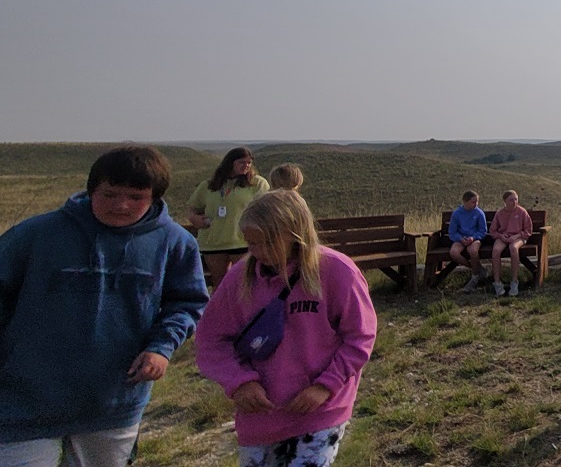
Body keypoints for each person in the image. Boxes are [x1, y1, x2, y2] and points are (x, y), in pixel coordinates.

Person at [0, 146, 208, 467]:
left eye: (136, 197)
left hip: (113, 402)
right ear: (91, 189)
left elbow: (186, 303)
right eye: (109, 195)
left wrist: (161, 348)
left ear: (155, 197)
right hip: (25, 399)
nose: (121, 205)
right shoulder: (35, 235)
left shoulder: (175, 243)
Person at [195, 190, 378, 467]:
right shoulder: (240, 278)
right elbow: (211, 339)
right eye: (251, 244)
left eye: (267, 243)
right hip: (260, 416)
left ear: (295, 234)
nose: (257, 253)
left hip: (319, 409)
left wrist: (324, 387)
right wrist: (239, 383)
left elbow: (360, 337)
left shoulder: (336, 271)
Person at [187, 146, 271, 288]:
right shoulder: (209, 185)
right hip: (213, 242)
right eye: (242, 162)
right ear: (230, 163)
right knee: (220, 285)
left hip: (242, 241)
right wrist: (195, 219)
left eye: (249, 163)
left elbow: (267, 208)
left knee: (244, 284)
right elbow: (192, 207)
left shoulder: (257, 184)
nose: (246, 166)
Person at [488, 190, 533, 296]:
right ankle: (497, 283)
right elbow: (493, 230)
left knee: (513, 248)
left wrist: (516, 236)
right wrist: (501, 236)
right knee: (496, 250)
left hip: (519, 236)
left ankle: (514, 281)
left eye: (516, 199)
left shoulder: (522, 212)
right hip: (503, 236)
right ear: (505, 201)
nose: (514, 202)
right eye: (511, 199)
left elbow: (528, 230)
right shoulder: (500, 213)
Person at [447, 190, 489, 294]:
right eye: (473, 202)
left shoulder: (479, 213)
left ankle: (474, 277)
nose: (476, 204)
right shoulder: (457, 213)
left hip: (474, 239)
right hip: (460, 238)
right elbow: (452, 231)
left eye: (477, 201)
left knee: (473, 251)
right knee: (454, 253)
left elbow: (483, 231)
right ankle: (476, 268)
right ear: (465, 202)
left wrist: (473, 238)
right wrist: (460, 238)